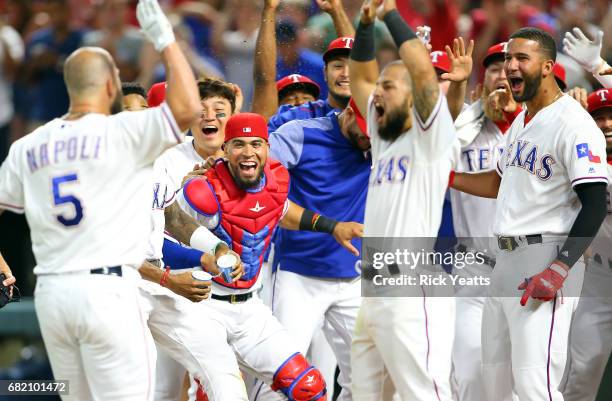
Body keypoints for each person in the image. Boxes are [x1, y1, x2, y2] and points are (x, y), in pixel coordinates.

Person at [0, 0, 201, 399]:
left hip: (53, 296)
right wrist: (164, 38)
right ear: (111, 85)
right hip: (108, 292)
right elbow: (189, 107)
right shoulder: (123, 131)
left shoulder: (27, 145)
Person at [450, 27, 608, 401]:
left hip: (544, 256)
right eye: (508, 60)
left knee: (535, 386)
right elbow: (497, 183)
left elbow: (595, 203)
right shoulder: (522, 121)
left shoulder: (575, 123)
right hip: (503, 258)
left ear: (549, 66)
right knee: (494, 386)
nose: (511, 67)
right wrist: (447, 177)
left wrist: (558, 268)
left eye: (522, 58)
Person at [179, 112, 363, 401]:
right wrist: (199, 258)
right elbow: (167, 230)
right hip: (205, 306)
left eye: (256, 144)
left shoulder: (275, 181)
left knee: (308, 388)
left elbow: (282, 211)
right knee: (222, 395)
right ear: (225, 149)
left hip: (250, 310)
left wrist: (332, 227)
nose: (248, 152)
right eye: (238, 144)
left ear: (268, 146)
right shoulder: (203, 188)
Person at [348, 0, 459, 399]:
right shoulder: (383, 136)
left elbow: (423, 72)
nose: (376, 93)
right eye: (380, 87)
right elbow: (359, 78)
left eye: (388, 86)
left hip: (412, 289)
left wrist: (390, 15)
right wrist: (363, 25)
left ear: (414, 98)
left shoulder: (432, 137)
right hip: (373, 291)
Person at [450, 41, 522, 401]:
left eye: (511, 69)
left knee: (521, 381)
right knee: (469, 375)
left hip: (525, 268)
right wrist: (477, 108)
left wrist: (512, 116)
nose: (503, 76)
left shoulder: (539, 125)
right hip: (473, 267)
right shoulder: (464, 122)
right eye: (495, 68)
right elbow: (440, 128)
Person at [560, 91, 612, 401]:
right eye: (598, 116)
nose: (606, 123)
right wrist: (570, 111)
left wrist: (597, 68)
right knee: (582, 372)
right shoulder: (584, 166)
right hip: (599, 280)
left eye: (611, 114)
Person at [252, 0, 353, 121]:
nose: (299, 102)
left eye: (306, 98)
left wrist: (337, 11)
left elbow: (356, 70)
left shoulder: (332, 121)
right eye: (289, 100)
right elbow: (263, 82)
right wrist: (269, 10)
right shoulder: (273, 129)